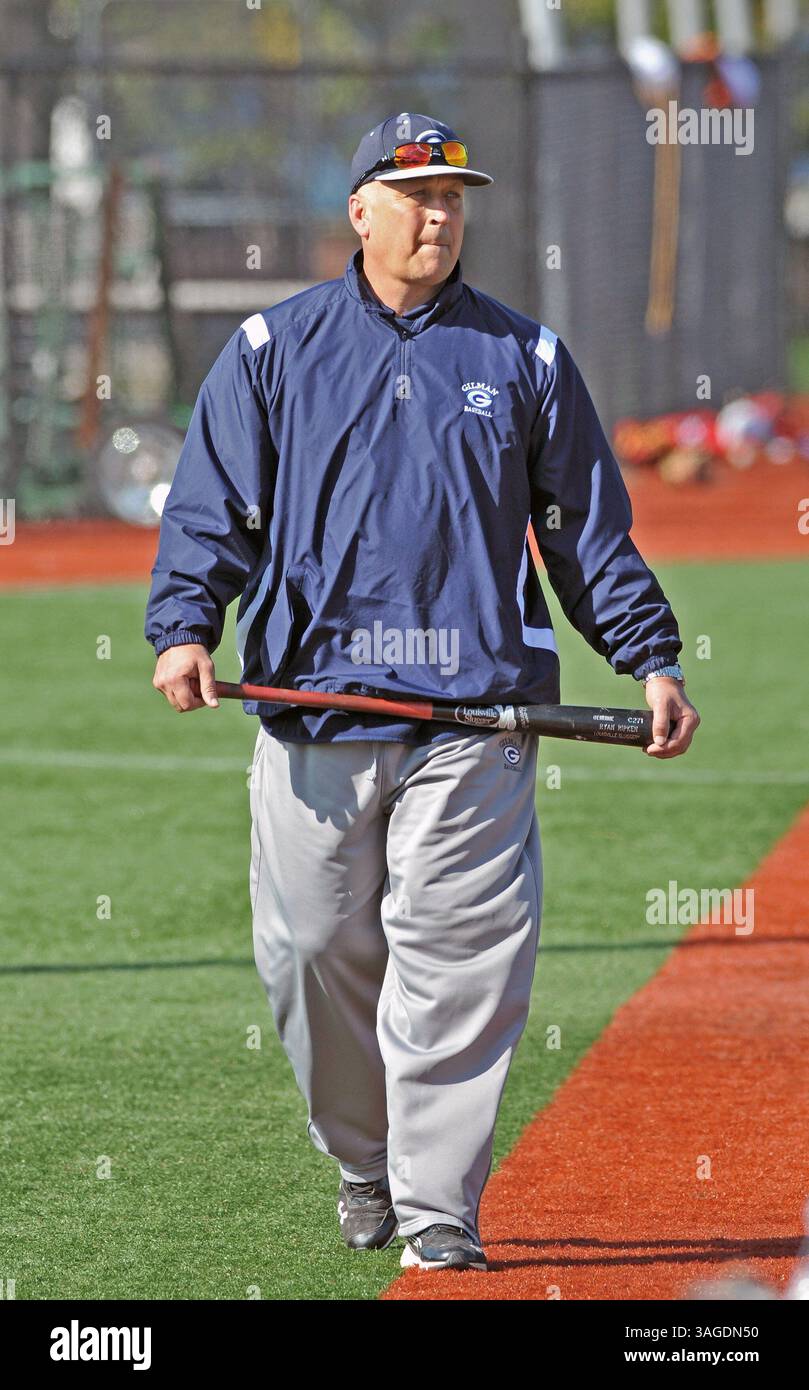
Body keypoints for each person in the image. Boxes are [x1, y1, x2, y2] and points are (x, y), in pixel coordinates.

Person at [145, 112, 700, 1274]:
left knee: (459, 957)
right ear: (359, 209)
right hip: (315, 704)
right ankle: (365, 1158)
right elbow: (211, 511)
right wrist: (185, 626)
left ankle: (437, 1207)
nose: (438, 215)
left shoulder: (524, 358)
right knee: (312, 951)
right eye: (415, 196)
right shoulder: (270, 350)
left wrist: (647, 655)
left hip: (479, 718)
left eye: (453, 197)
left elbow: (583, 534)